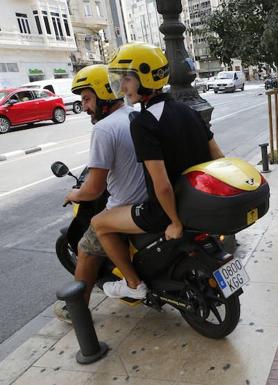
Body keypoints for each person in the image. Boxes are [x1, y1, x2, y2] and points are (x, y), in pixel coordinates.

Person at [91, 43, 225, 299]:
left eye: (127, 79)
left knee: (99, 224)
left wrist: (173, 222)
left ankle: (133, 284)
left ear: (145, 77)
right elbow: (218, 157)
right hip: (195, 203)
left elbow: (161, 184)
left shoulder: (144, 122)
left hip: (163, 212)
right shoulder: (189, 110)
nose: (122, 87)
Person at [55, 64, 147, 322]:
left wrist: (74, 194)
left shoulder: (104, 129)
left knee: (86, 248)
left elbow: (93, 188)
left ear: (104, 93)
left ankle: (77, 311)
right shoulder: (135, 115)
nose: (84, 107)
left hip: (124, 207)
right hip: (148, 201)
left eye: (87, 98)